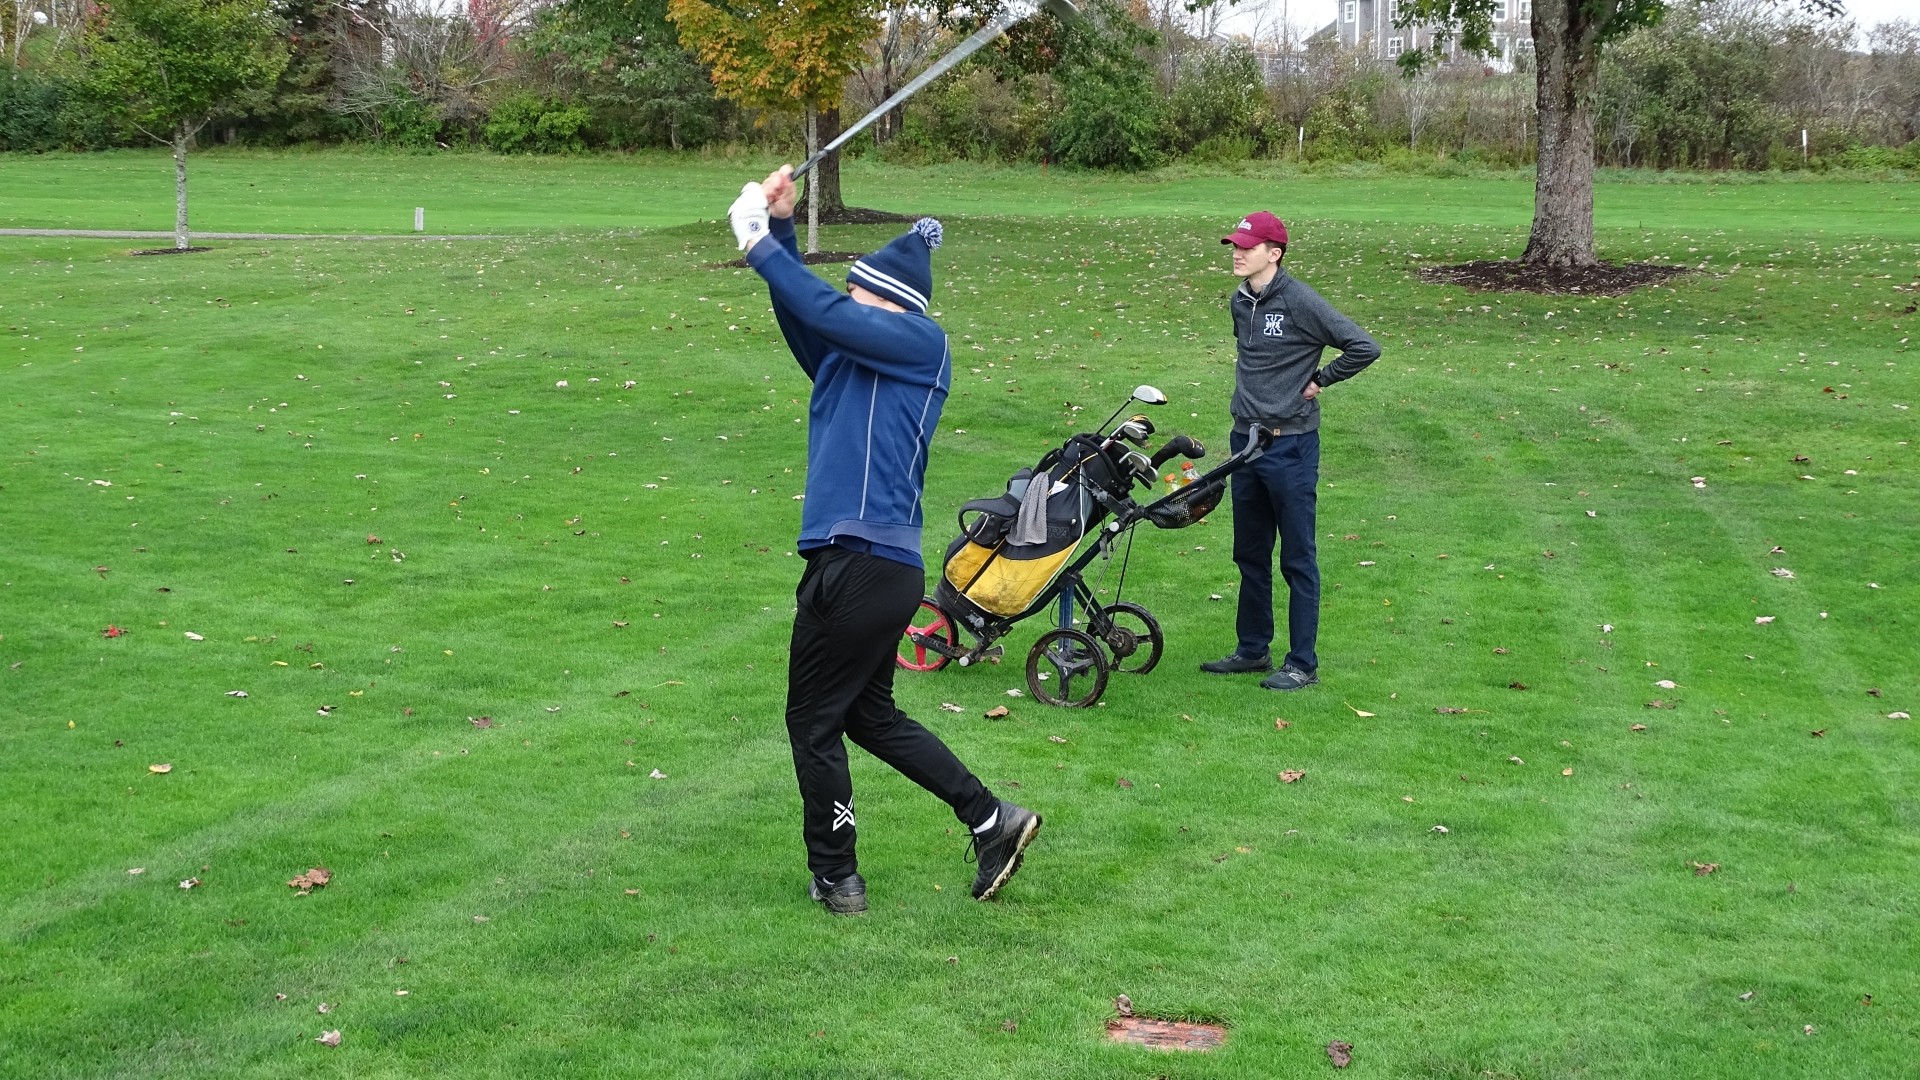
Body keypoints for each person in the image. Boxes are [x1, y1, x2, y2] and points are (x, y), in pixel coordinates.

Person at [726, 167, 1041, 915]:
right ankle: (992, 819)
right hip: (869, 566)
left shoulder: (920, 343)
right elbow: (807, 316)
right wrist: (778, 228)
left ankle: (837, 875)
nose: (845, 305)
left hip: (860, 564)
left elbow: (826, 311)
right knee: (867, 716)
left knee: (813, 722)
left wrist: (754, 243)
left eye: (856, 295)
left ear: (887, 303)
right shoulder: (851, 359)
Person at [1201, 211, 1380, 692]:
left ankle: (1302, 664)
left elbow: (1364, 346)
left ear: (1274, 254)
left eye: (1247, 247)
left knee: (1297, 558)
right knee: (1250, 553)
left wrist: (1322, 379)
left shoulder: (1300, 301)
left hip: (1291, 446)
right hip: (1245, 444)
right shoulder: (1240, 300)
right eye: (1235, 245)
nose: (1237, 253)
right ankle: (1252, 650)